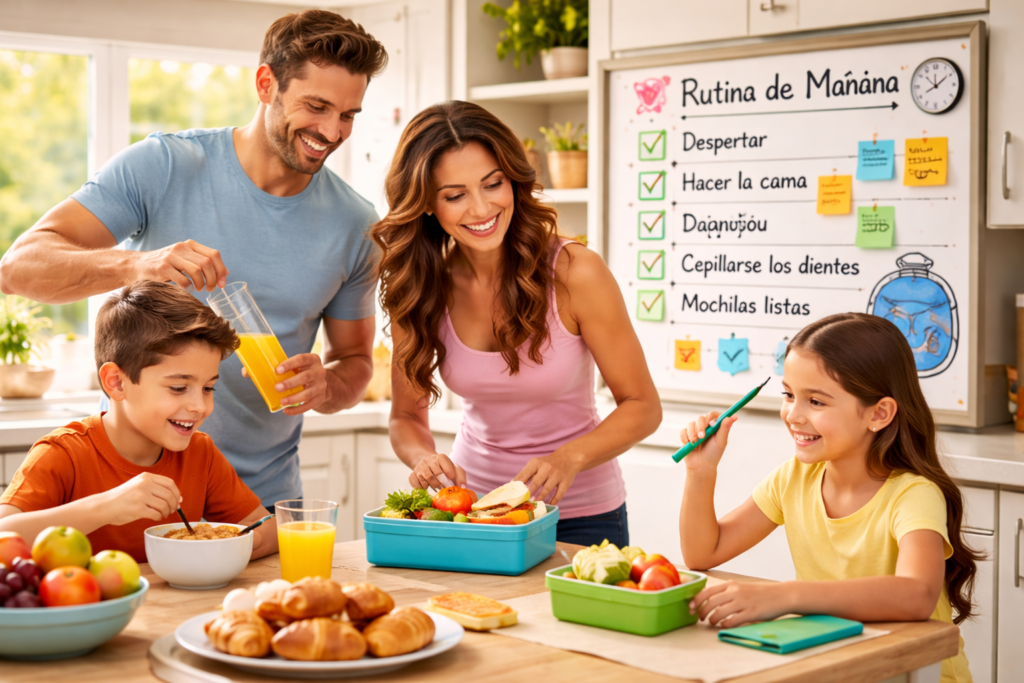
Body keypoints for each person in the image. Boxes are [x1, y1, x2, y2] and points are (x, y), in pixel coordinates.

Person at [0, 10, 388, 510]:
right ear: (266, 83)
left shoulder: (354, 223)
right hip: (132, 497)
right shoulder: (163, 166)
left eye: (348, 115)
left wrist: (327, 385)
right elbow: (18, 268)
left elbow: (354, 361)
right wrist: (136, 266)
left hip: (260, 504)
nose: (332, 131)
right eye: (317, 106)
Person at [372, 101, 662, 547]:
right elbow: (406, 418)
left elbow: (642, 405)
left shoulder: (575, 272)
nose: (482, 207)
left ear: (513, 180)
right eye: (455, 195)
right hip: (475, 511)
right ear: (427, 205)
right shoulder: (421, 286)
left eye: (493, 184)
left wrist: (568, 459)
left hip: (581, 513)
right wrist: (424, 458)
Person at [678, 313, 977, 683]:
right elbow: (703, 552)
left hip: (915, 673)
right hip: (840, 667)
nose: (793, 415)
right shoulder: (794, 478)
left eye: (816, 402)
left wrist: (785, 597)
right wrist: (700, 472)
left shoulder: (913, 494)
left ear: (878, 413)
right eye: (789, 395)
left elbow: (916, 594)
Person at [0, 282, 277, 563]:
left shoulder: (200, 454)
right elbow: (3, 537)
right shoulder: (62, 454)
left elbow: (268, 527)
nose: (200, 406)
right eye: (179, 388)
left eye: (208, 388)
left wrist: (239, 544)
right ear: (117, 382)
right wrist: (106, 507)